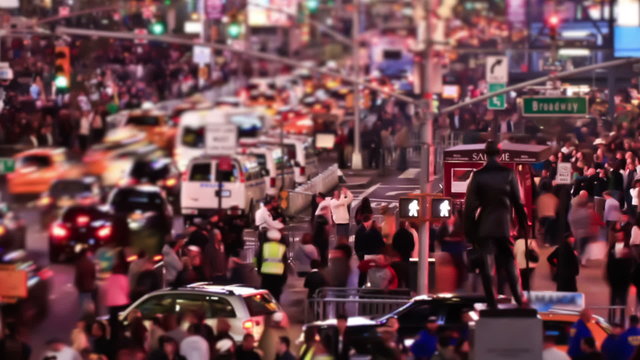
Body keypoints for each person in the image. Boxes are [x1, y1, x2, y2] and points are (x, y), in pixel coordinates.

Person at [463, 140, 528, 308]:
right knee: (509, 262)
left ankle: (491, 302)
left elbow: (469, 208)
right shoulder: (509, 174)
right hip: (504, 225)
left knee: (487, 265)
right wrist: (523, 225)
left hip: (484, 224)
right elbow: (518, 203)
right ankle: (519, 297)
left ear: (485, 154)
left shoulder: (478, 175)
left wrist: (470, 233)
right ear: (499, 154)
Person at [606, 225, 633, 325]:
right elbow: (609, 263)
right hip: (614, 279)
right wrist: (609, 277)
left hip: (624, 279)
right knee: (612, 301)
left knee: (622, 302)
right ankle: (611, 319)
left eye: (620, 234)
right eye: (617, 234)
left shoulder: (627, 248)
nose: (618, 236)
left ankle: (621, 320)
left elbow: (630, 264)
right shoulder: (612, 247)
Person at [256, 229, 287, 301]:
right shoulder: (282, 247)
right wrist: (284, 276)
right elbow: (284, 262)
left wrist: (259, 271)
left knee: (266, 295)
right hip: (278, 274)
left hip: (266, 273)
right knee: (276, 295)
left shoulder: (264, 247)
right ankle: (276, 310)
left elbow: (259, 259)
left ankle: (267, 310)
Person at [104, 259, 130, 341]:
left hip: (111, 306)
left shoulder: (108, 279)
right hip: (122, 304)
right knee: (122, 325)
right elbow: (127, 291)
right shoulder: (123, 278)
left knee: (113, 326)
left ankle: (113, 340)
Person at [75, 248, 97, 313]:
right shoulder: (91, 264)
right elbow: (93, 276)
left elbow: (78, 276)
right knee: (90, 304)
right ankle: (90, 317)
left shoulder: (79, 263)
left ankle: (85, 318)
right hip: (90, 287)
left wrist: (77, 285)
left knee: (83, 305)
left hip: (82, 288)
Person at [537, 181, 559, 245]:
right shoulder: (552, 196)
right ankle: (549, 242)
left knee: (545, 229)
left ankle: (545, 241)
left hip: (542, 216)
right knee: (548, 230)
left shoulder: (540, 196)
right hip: (551, 216)